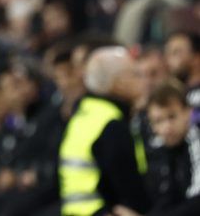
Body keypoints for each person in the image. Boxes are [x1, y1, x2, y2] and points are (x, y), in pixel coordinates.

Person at [58, 46, 150, 216]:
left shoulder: (86, 113)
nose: (144, 80)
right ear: (118, 83)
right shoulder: (110, 123)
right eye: (135, 74)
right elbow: (127, 188)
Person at [112, 80, 200, 216]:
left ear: (187, 112)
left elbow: (197, 202)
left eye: (172, 117)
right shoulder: (163, 148)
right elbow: (167, 198)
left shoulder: (196, 140)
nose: (167, 128)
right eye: (158, 121)